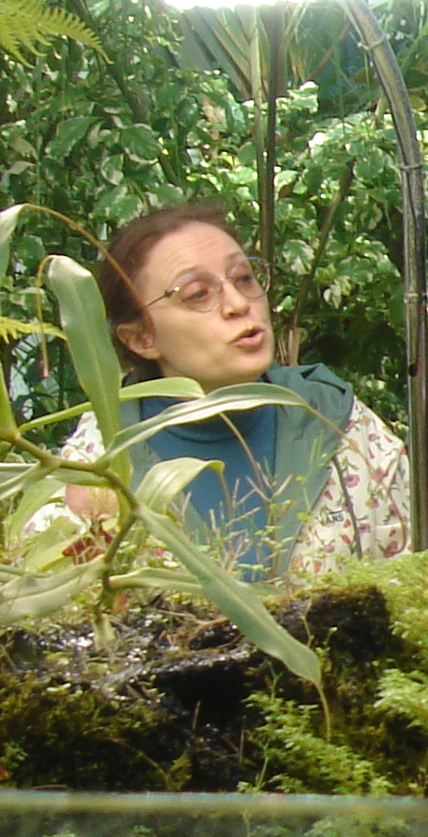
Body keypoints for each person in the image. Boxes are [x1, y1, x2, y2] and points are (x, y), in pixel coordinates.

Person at [69, 201, 409, 580]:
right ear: (141, 338)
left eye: (244, 278)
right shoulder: (93, 468)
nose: (238, 304)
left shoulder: (341, 426)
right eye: (198, 294)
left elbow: (416, 590)